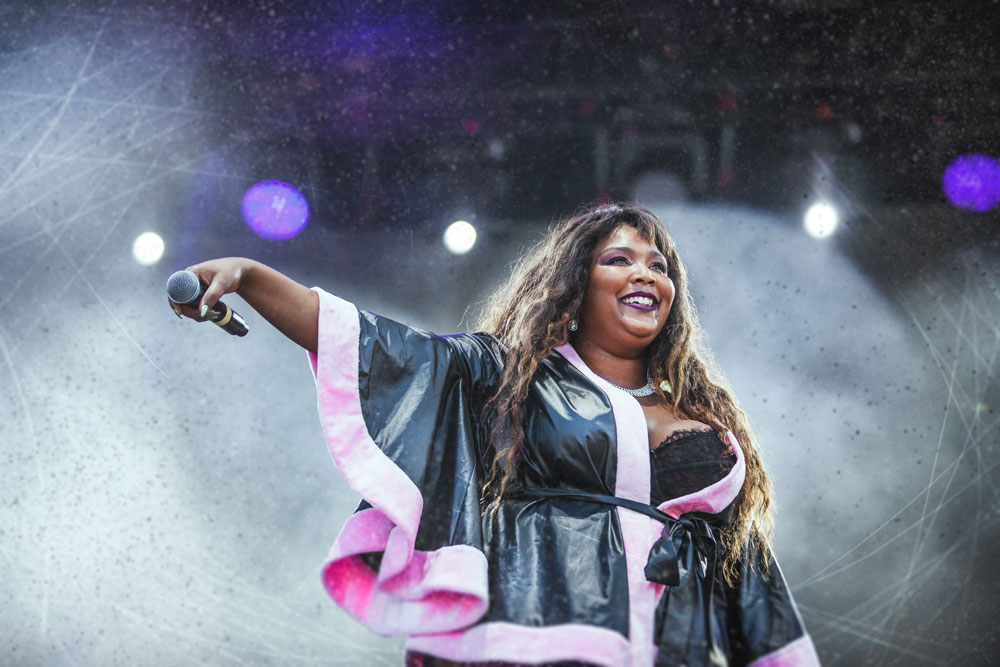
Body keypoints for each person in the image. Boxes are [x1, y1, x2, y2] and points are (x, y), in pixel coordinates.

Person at [170, 203, 820, 667]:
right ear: (575, 284)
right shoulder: (503, 375)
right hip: (517, 645)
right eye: (618, 259)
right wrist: (252, 276)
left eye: (658, 264)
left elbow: (751, 585)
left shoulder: (712, 431)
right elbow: (379, 346)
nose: (645, 273)